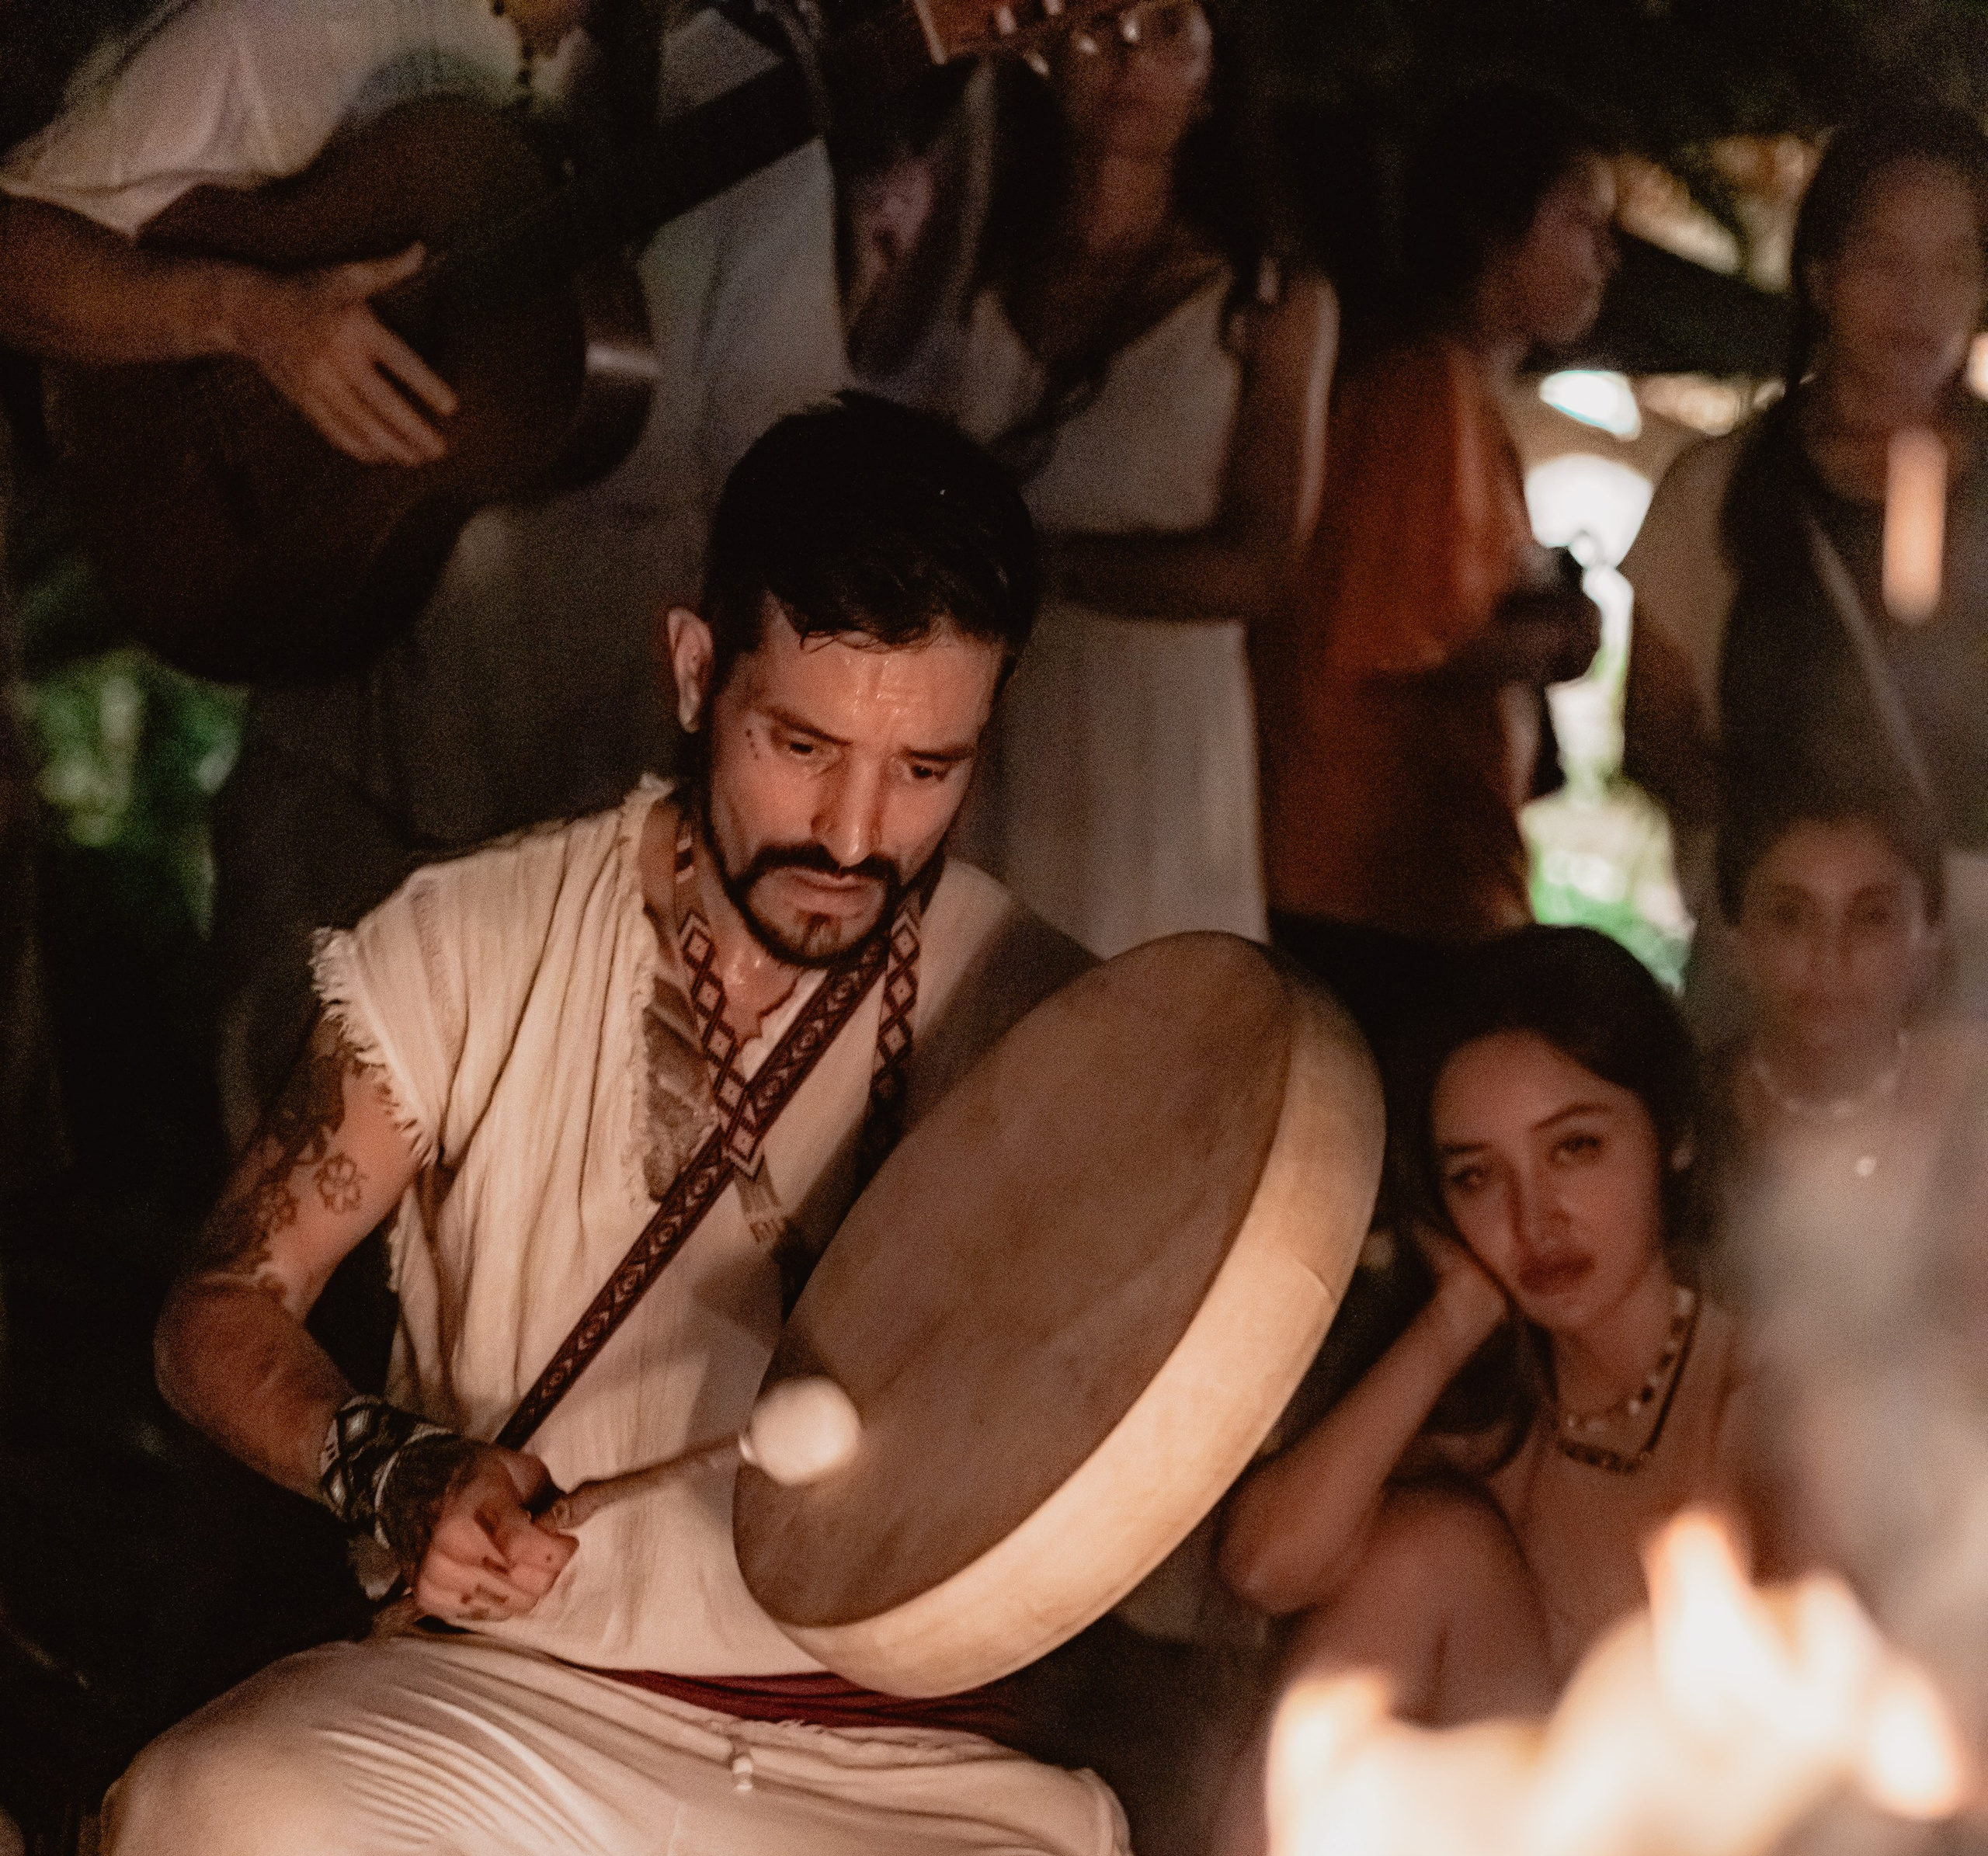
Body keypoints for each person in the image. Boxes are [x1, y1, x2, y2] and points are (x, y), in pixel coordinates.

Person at [93, 397, 1263, 1856]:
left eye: (924, 769)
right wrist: (390, 1471)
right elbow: (215, 1309)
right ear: (693, 664)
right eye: (800, 745)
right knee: (202, 1854)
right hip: (522, 1713)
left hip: (891, 1771)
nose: (853, 832)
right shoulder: (465, 942)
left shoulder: (1044, 1018)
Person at [0, 0, 853, 1136]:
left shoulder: (747, 74)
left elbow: (782, 463)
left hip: (611, 800)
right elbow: (18, 244)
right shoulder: (306, 21)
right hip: (345, 764)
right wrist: (248, 316)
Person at [1220, 924, 1745, 1713]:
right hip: (1497, 1820)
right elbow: (1265, 1570)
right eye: (1476, 1177)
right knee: (1424, 1550)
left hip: (1725, 1820)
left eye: (1574, 1149)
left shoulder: (1759, 1397)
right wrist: (1451, 1322)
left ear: (1672, 1136)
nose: (1533, 1220)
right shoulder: (1487, 1413)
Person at [940, 2, 1336, 955]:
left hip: (1156, 732)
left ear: (1210, 77)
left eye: (1165, 30)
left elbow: (1258, 565)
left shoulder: (1266, 304)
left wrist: (1034, 565)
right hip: (988, 716)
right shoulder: (966, 271)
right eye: (1098, 23)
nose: (1125, 58)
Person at [1253, 86, 1613, 1076]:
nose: (1603, 258)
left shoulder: (1450, 389)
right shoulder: (1427, 389)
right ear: (1494, 226)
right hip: (1374, 889)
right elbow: (1383, 638)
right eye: (1580, 221)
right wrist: (1561, 637)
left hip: (1398, 884)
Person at [1623, 106, 1988, 1037]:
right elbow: (1657, 731)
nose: (1921, 297)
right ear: (1822, 273)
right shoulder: (1723, 490)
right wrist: (1791, 865)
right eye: (1884, 259)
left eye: (1954, 263)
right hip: (1779, 973)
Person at [1701, 790, 1952, 1249]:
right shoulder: (1679, 1127)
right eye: (1790, 917)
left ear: (1929, 945)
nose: (1831, 960)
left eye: (1872, 918)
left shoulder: (1970, 1120)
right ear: (1734, 943)